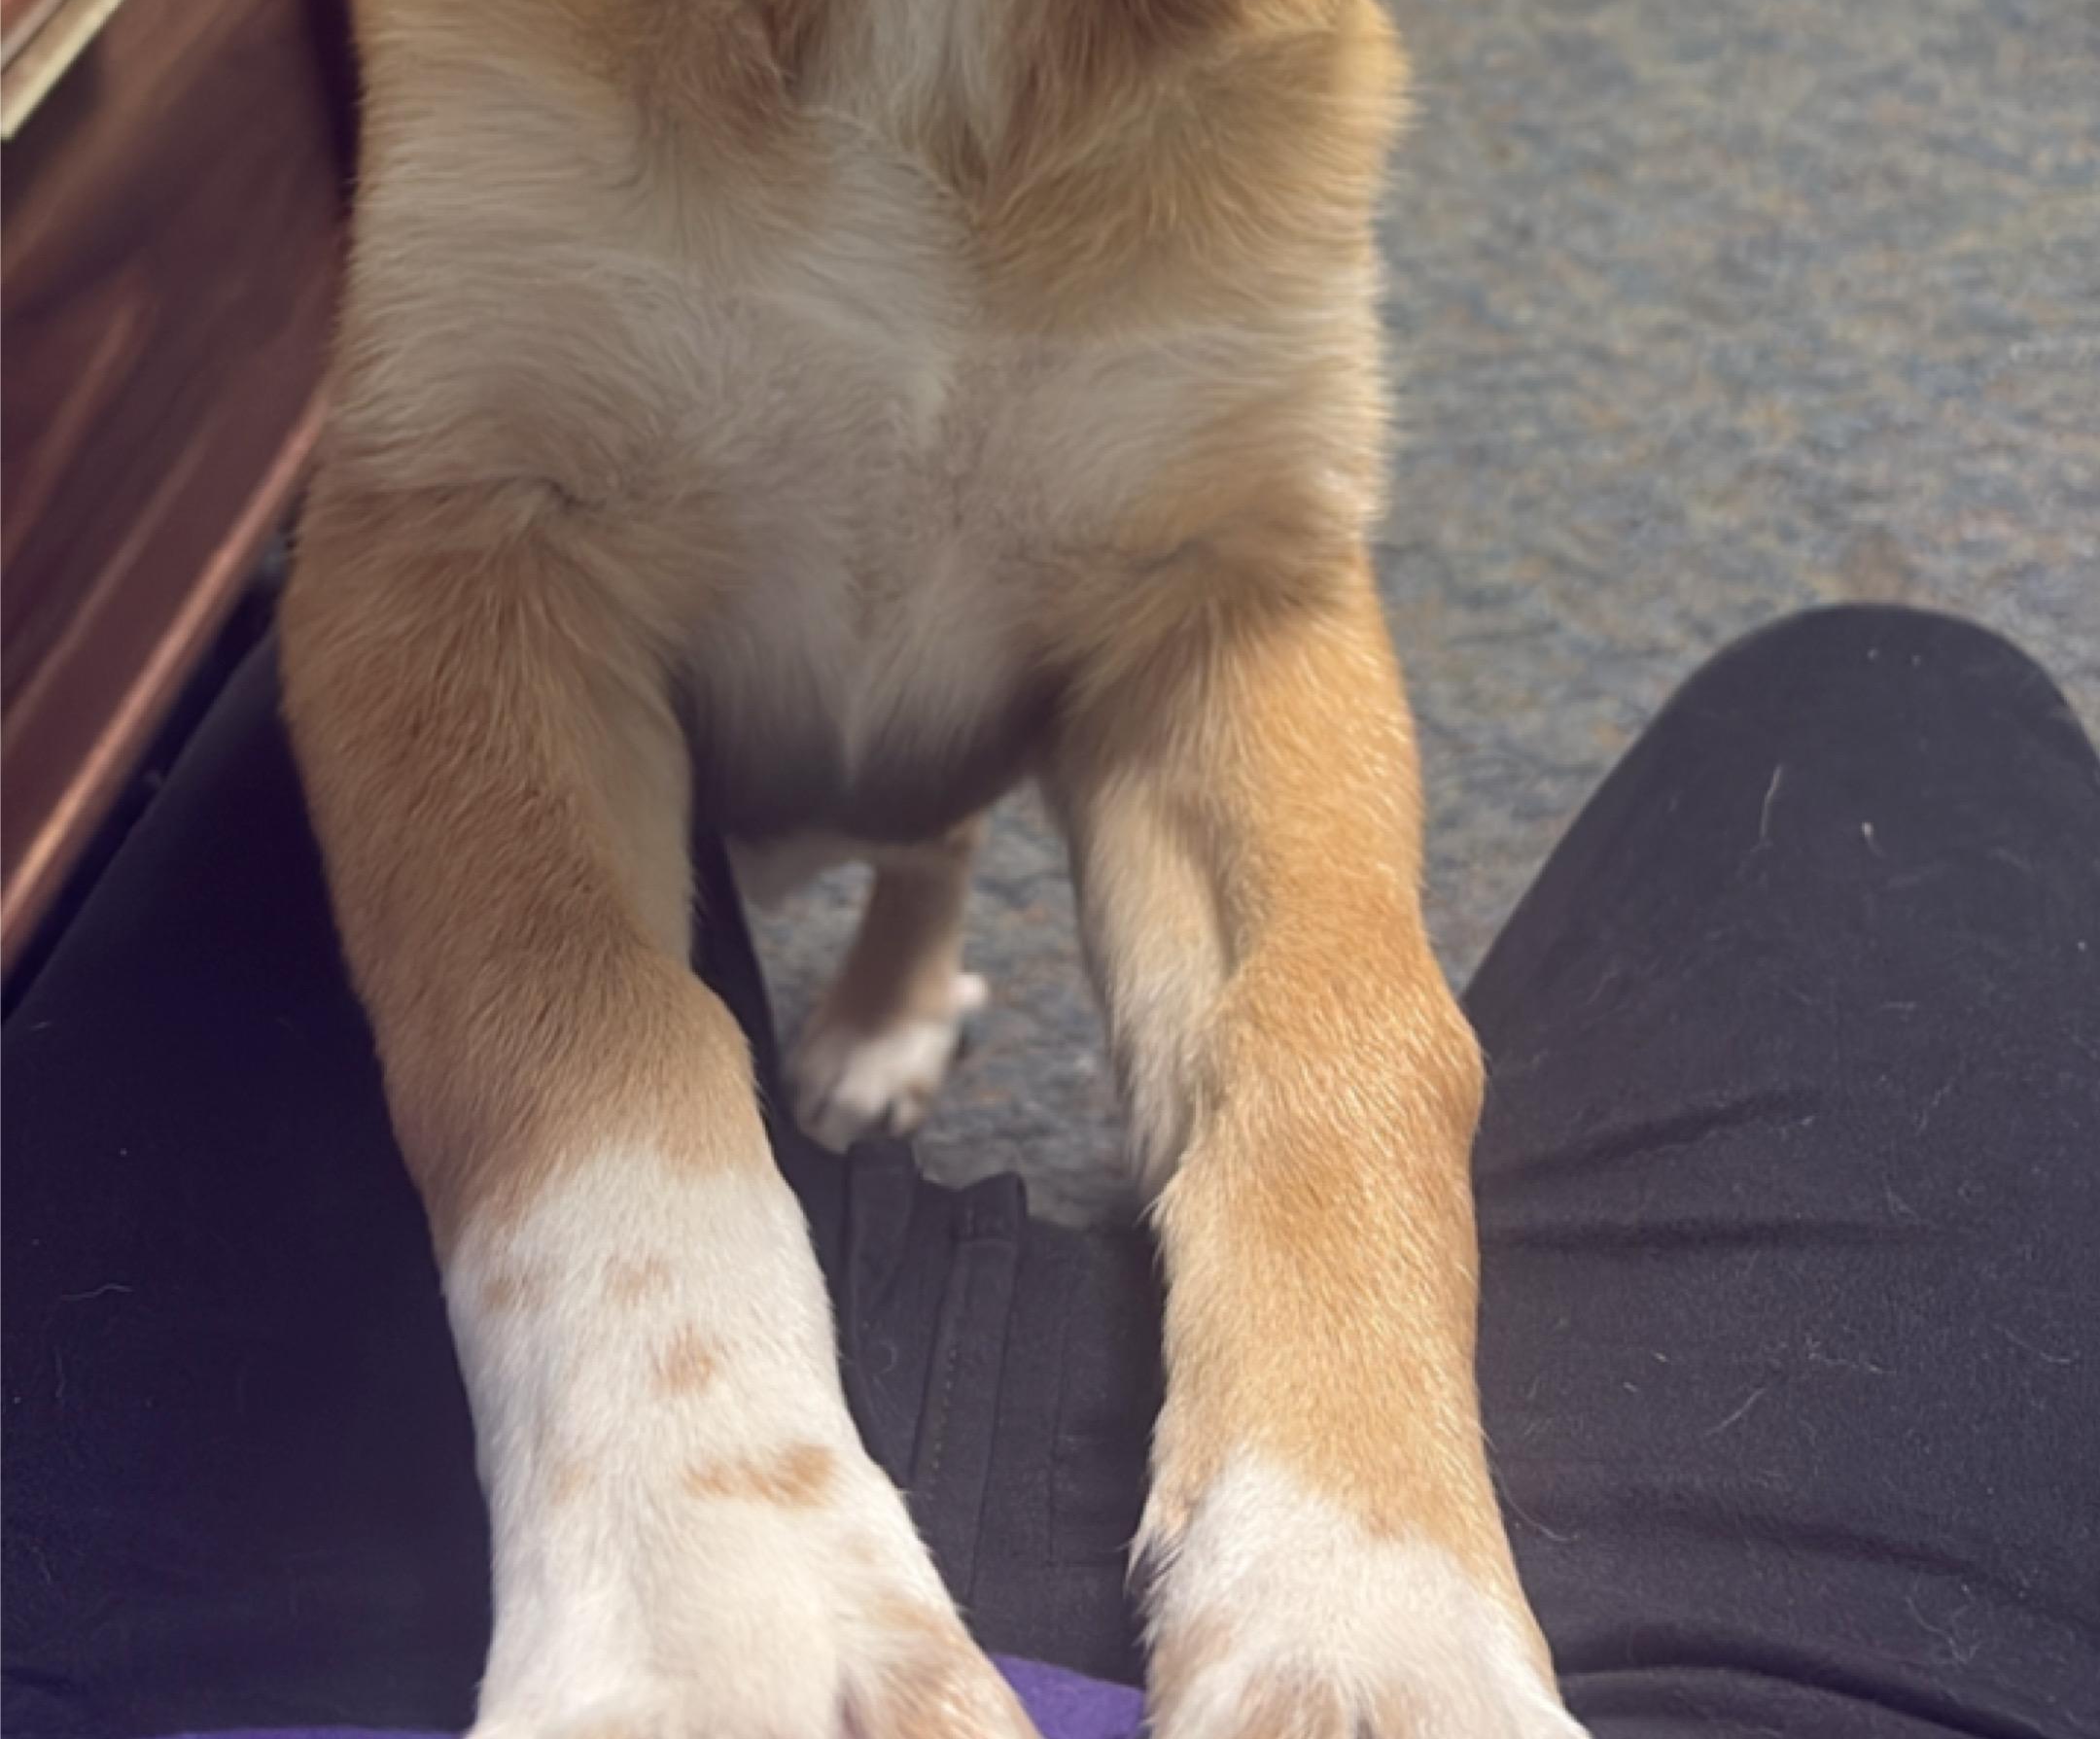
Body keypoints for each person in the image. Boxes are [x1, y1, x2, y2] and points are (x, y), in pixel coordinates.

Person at [6, 602, 2095, 1738]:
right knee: (1898, 714)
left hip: (400, 1575)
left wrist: (649, 1460)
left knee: (362, 672)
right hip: (1592, 1604)